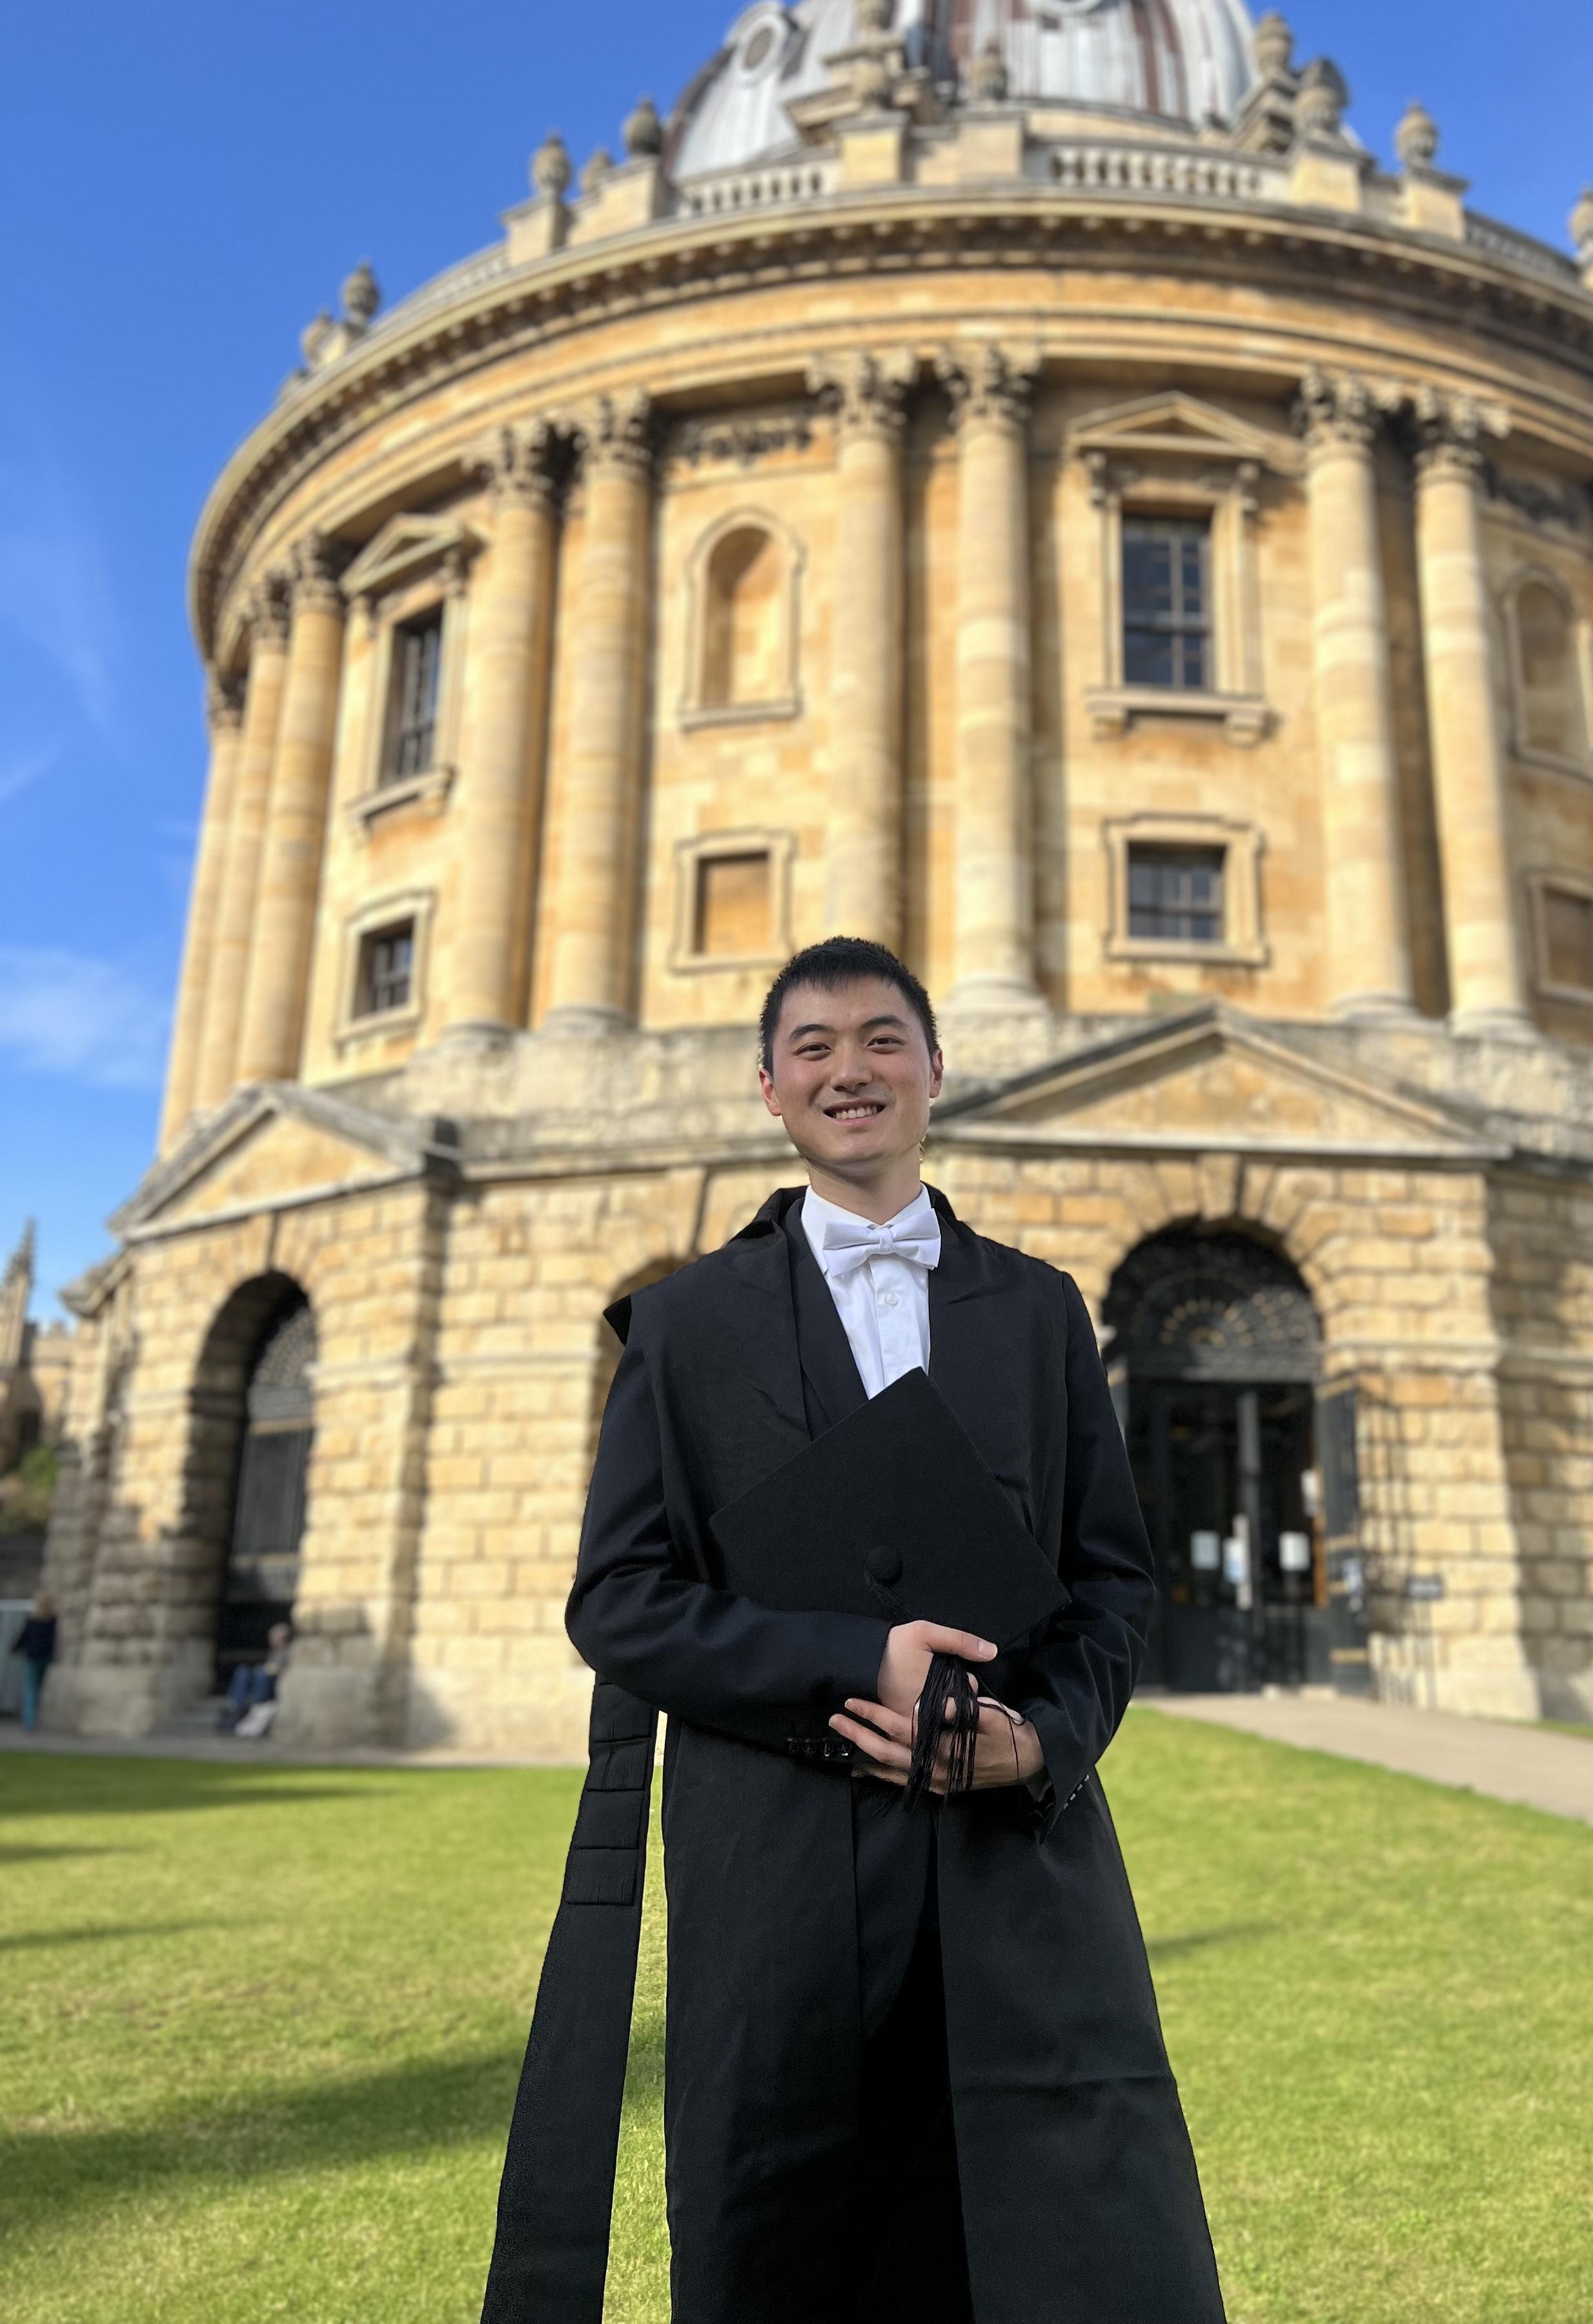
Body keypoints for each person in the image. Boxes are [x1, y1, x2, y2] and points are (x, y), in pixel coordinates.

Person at [511, 936, 1226, 2324]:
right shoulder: (683, 1323)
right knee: (791, 2250)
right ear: (769, 1088)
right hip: (776, 1880)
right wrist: (853, 1662)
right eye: (817, 1047)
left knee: (1052, 2246)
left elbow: (1110, 1586)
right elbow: (618, 1600)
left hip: (1016, 1874)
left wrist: (1044, 1740)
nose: (854, 1070)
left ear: (937, 1071)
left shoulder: (1039, 1310)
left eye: (885, 1039)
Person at [218, 1621, 291, 1735]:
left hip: (276, 1682)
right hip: (267, 1677)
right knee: (243, 1671)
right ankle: (236, 1703)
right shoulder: (274, 1652)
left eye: (274, 1636)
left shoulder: (291, 1651)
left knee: (261, 1674)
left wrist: (274, 1670)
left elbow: (291, 1671)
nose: (271, 1639)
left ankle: (258, 1702)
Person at [10, 1592, 56, 1730]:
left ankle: (30, 1723)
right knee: (37, 1689)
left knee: (30, 1689)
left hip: (33, 1658)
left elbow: (23, 1638)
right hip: (45, 1658)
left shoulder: (32, 1621)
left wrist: (14, 1649)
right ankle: (33, 1719)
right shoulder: (53, 1621)